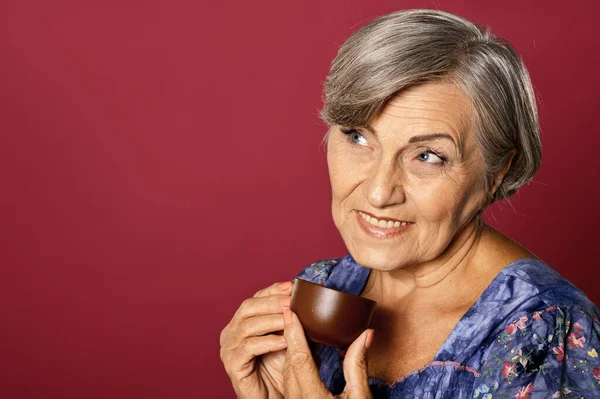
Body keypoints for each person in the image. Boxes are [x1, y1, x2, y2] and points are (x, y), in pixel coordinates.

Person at [219, 9, 600, 398]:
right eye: (358, 137)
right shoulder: (322, 290)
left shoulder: (545, 330)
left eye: (427, 156)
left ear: (498, 170)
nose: (379, 193)